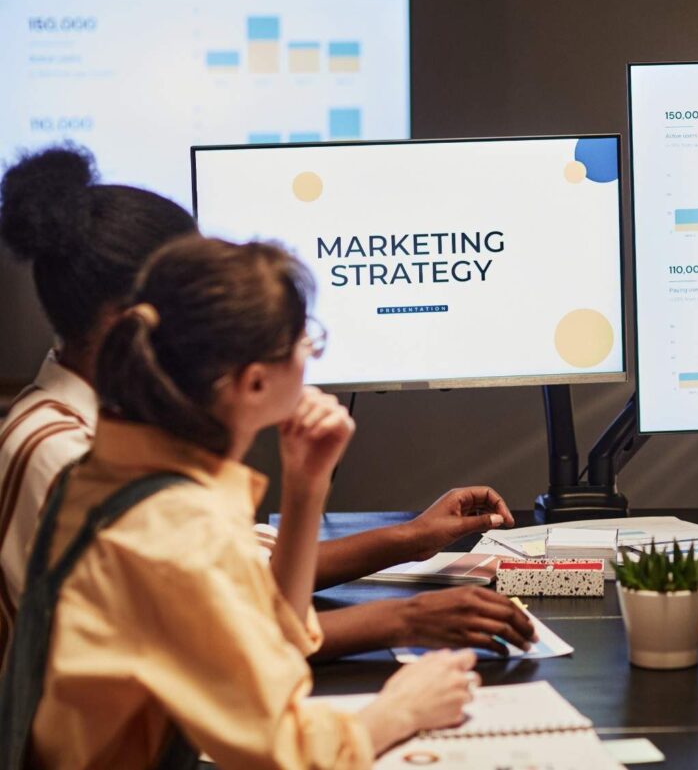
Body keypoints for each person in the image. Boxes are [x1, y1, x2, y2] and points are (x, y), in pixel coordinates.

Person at [0, 145, 534, 669]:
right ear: (134, 320)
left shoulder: (105, 424)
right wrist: (405, 619)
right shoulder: (67, 457)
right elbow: (211, 645)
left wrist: (410, 539)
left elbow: (243, 573)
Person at [0, 233, 481, 768]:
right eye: (307, 342)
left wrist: (306, 485)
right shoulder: (180, 524)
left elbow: (270, 641)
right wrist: (400, 709)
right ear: (254, 383)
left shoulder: (119, 468)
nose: (312, 356)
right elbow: (277, 751)